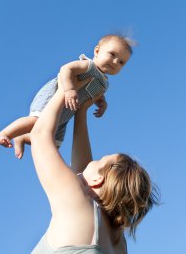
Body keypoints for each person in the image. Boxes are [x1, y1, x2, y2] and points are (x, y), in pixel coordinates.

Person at [30, 81, 159, 254]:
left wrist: (65, 89)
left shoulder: (79, 207)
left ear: (99, 179)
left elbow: (39, 135)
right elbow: (82, 172)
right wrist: (81, 110)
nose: (92, 161)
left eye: (99, 160)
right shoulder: (118, 241)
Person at [0, 34, 133, 159]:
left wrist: (102, 104)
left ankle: (23, 137)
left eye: (121, 62)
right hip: (53, 97)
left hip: (66, 112)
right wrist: (69, 89)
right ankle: (5, 133)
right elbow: (66, 69)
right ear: (97, 51)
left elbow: (96, 95)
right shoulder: (88, 65)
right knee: (37, 121)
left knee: (53, 143)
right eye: (112, 54)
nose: (115, 62)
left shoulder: (104, 83)